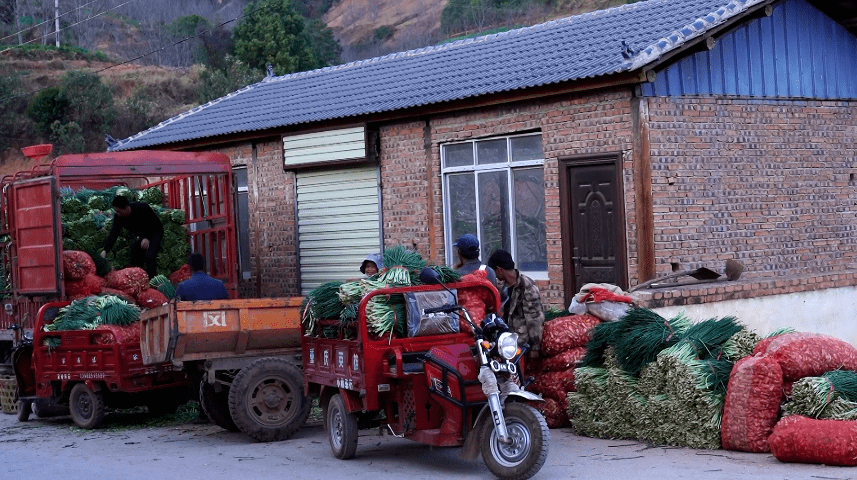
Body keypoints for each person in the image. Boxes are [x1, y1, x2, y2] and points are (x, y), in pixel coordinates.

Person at [487, 249, 545, 360]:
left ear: (499, 269)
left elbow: (535, 318)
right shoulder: (500, 287)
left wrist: (535, 347)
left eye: (494, 272)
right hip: (505, 343)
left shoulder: (527, 287)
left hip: (522, 343)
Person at [101, 195, 163, 278]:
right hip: (141, 234)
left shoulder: (142, 207)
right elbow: (114, 233)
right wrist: (105, 250)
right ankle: (140, 276)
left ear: (126, 208)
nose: (117, 213)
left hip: (155, 231)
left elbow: (153, 224)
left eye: (118, 211)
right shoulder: (118, 217)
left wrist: (147, 238)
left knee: (149, 254)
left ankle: (152, 279)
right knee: (135, 252)